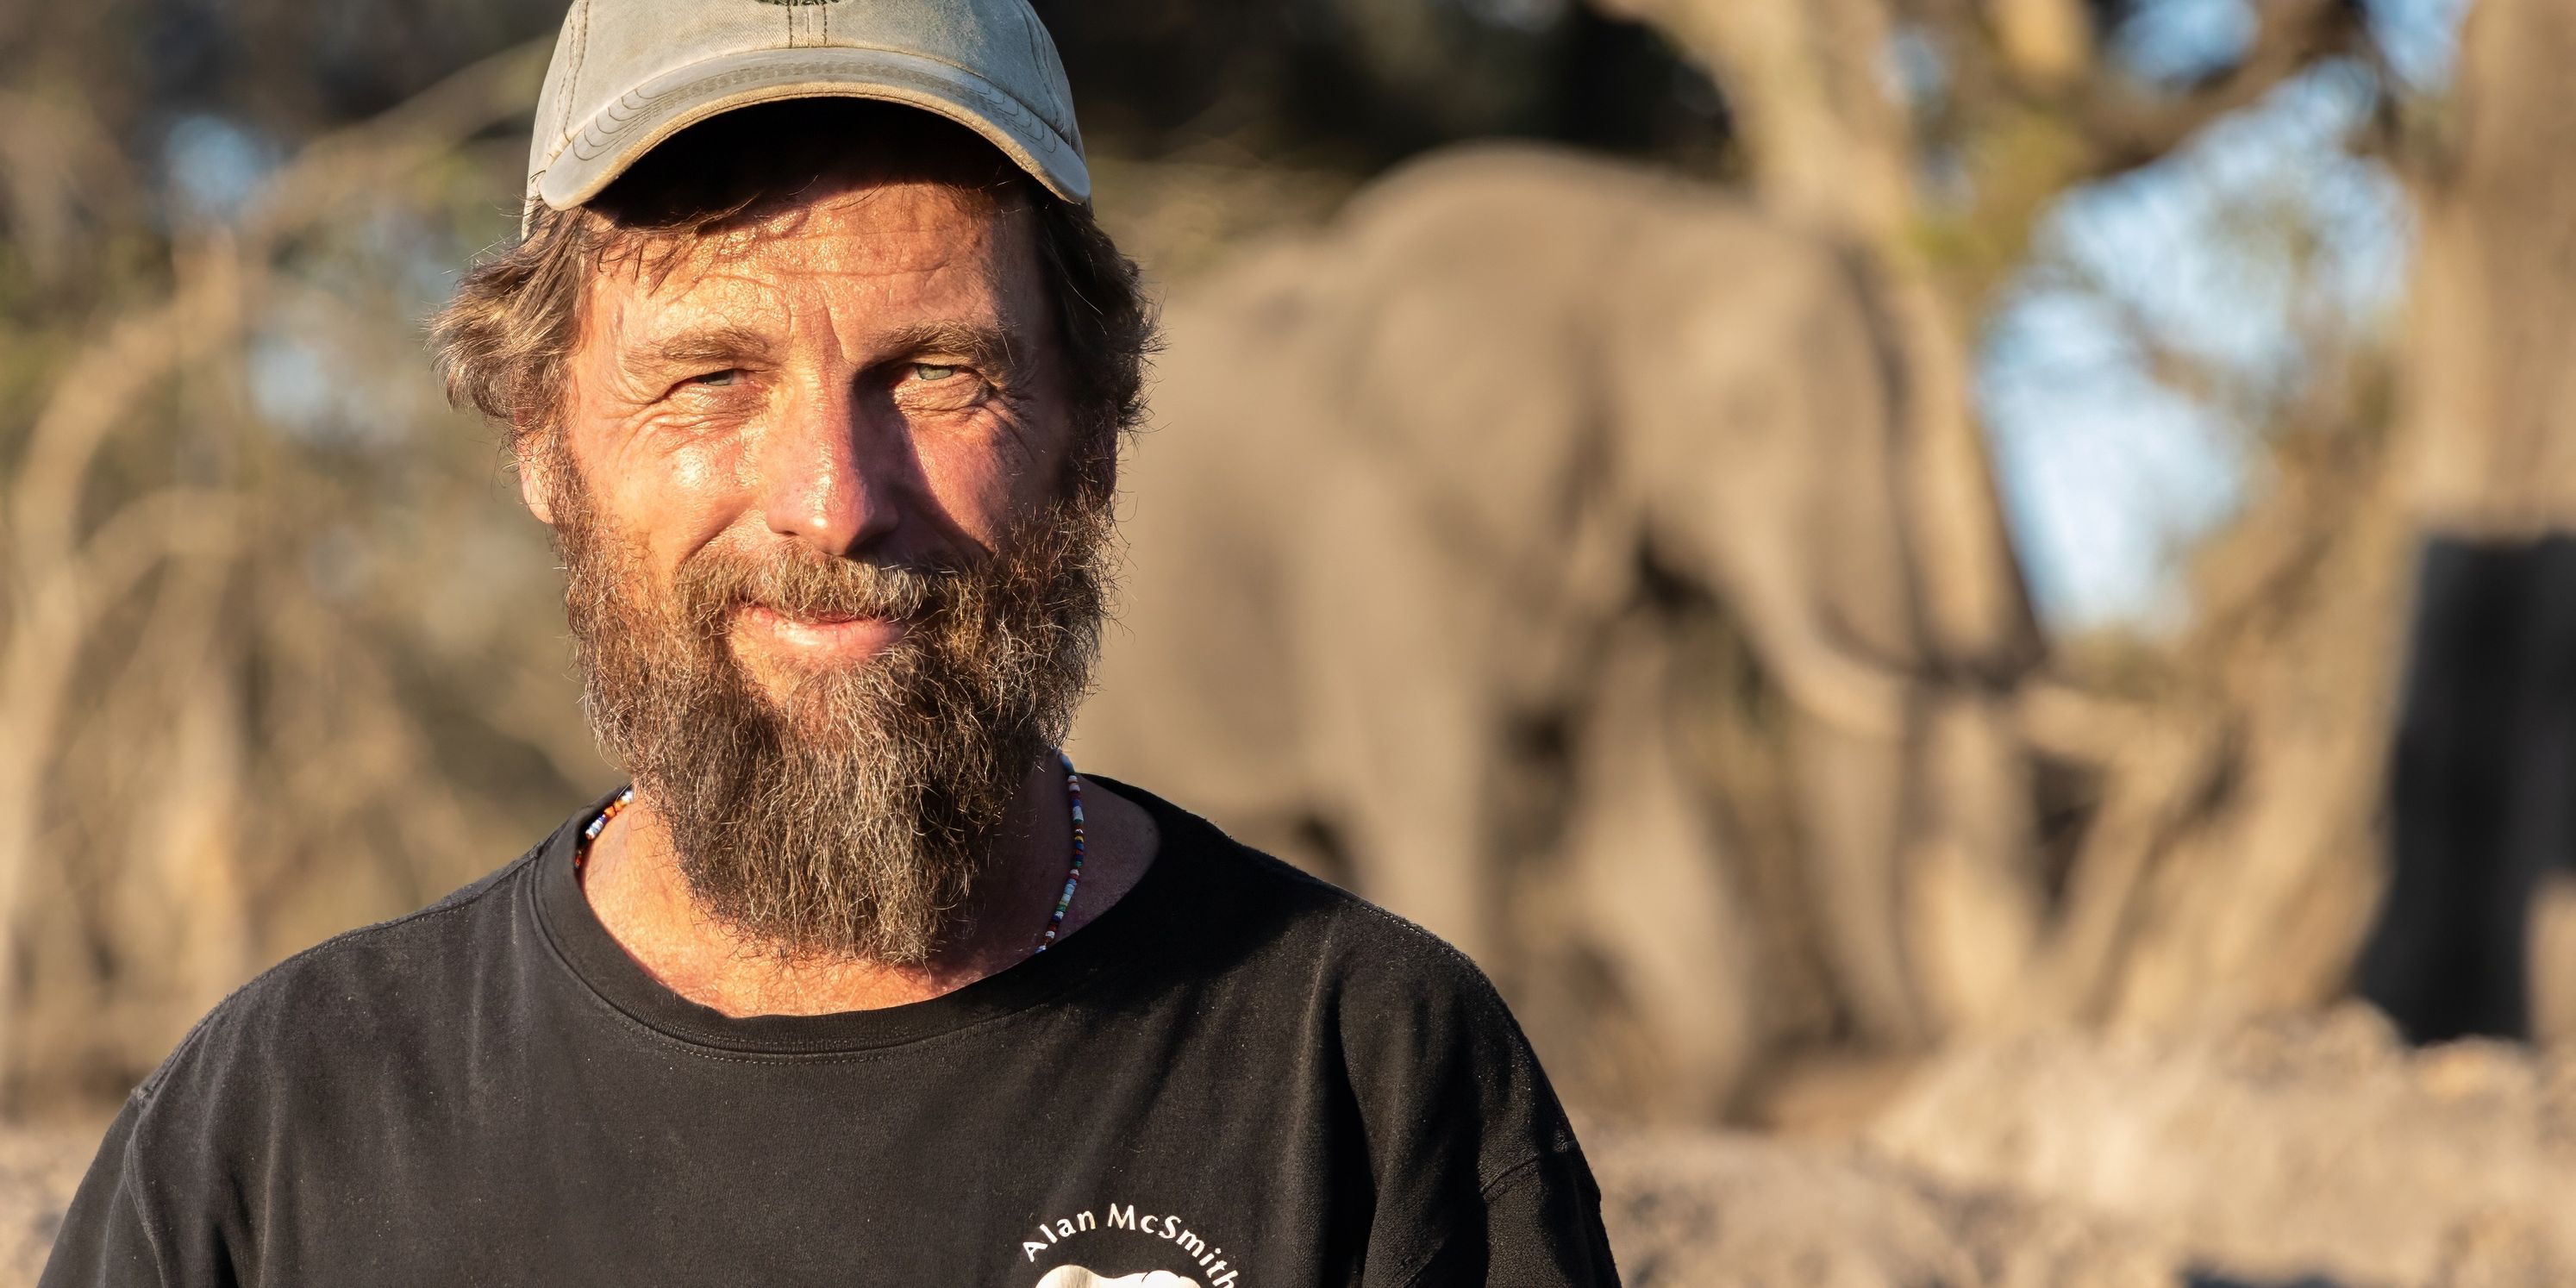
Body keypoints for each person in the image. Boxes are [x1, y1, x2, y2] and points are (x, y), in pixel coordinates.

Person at [41, 2, 1620, 1285]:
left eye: (936, 374)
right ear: (541, 439)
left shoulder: (1364, 1079)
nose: (833, 503)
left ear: (1093, 427)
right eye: (709, 377)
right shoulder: (275, 1138)